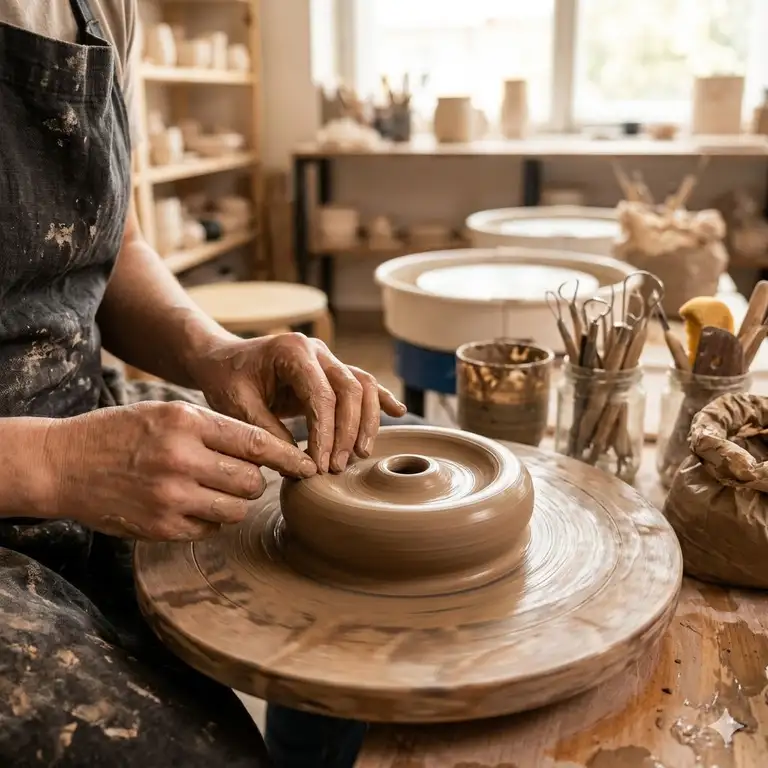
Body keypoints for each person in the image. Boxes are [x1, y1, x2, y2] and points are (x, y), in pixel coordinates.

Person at [0, 1, 418, 765]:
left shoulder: (104, 9)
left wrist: (217, 353)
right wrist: (54, 463)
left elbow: (116, 247)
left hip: (82, 409)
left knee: (365, 526)